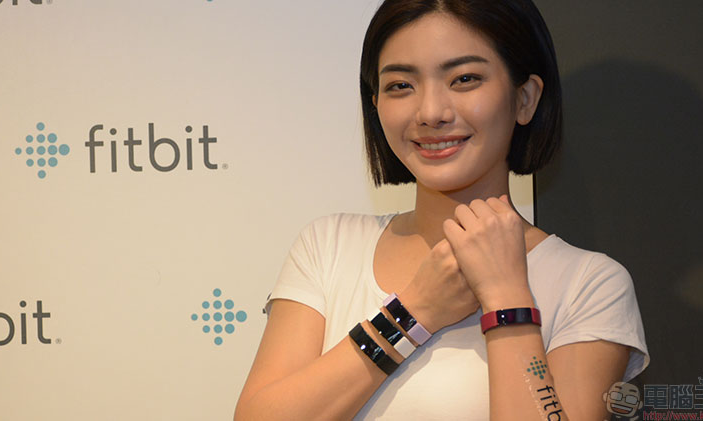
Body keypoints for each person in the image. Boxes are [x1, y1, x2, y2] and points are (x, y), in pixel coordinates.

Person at [234, 0, 649, 419]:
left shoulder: (589, 285)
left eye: (464, 79)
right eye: (401, 85)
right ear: (375, 104)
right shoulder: (328, 247)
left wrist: (507, 298)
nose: (431, 112)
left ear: (525, 98)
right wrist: (415, 311)